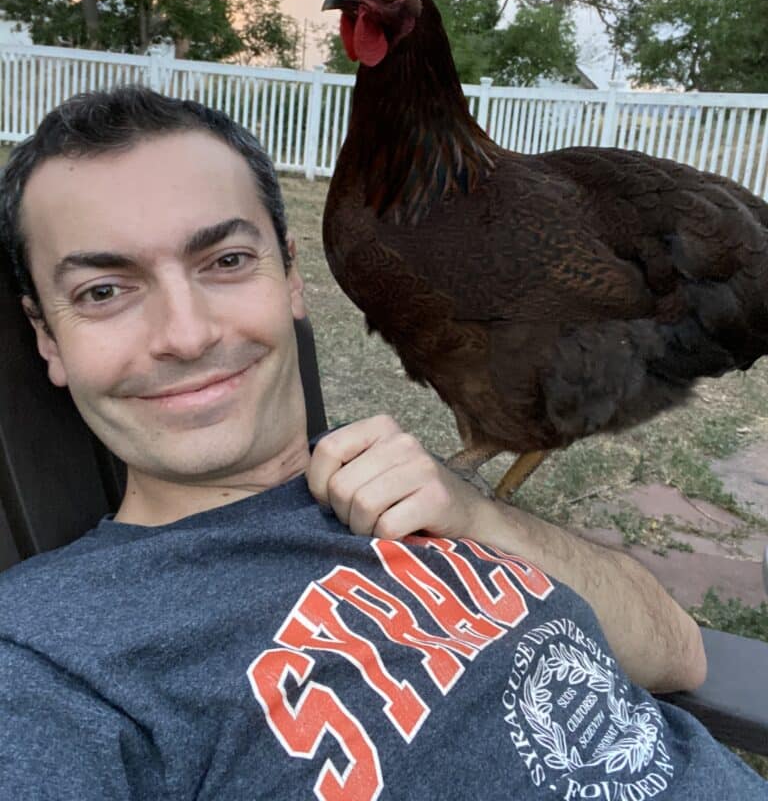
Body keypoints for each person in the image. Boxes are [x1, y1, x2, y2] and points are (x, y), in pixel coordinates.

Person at [0, 86, 764, 801]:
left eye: (226, 262)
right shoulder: (49, 660)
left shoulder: (429, 489)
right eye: (104, 291)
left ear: (292, 279)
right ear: (48, 338)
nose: (188, 334)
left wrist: (480, 515)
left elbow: (680, 652)